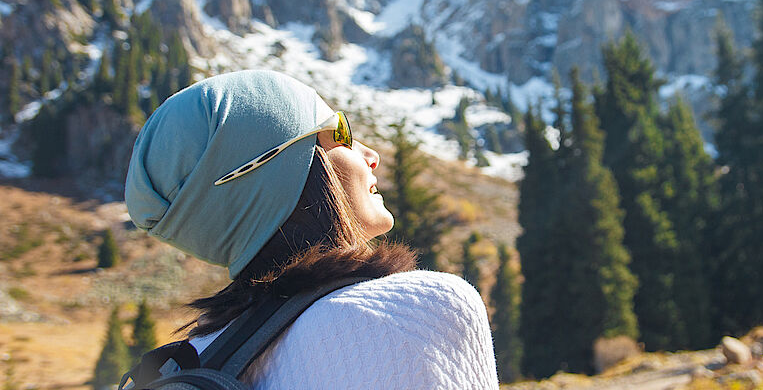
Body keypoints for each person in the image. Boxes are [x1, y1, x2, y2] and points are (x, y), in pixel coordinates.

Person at [124, 70, 498, 389]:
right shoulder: (418, 311)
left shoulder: (198, 354)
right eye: (340, 133)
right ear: (276, 170)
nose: (371, 155)